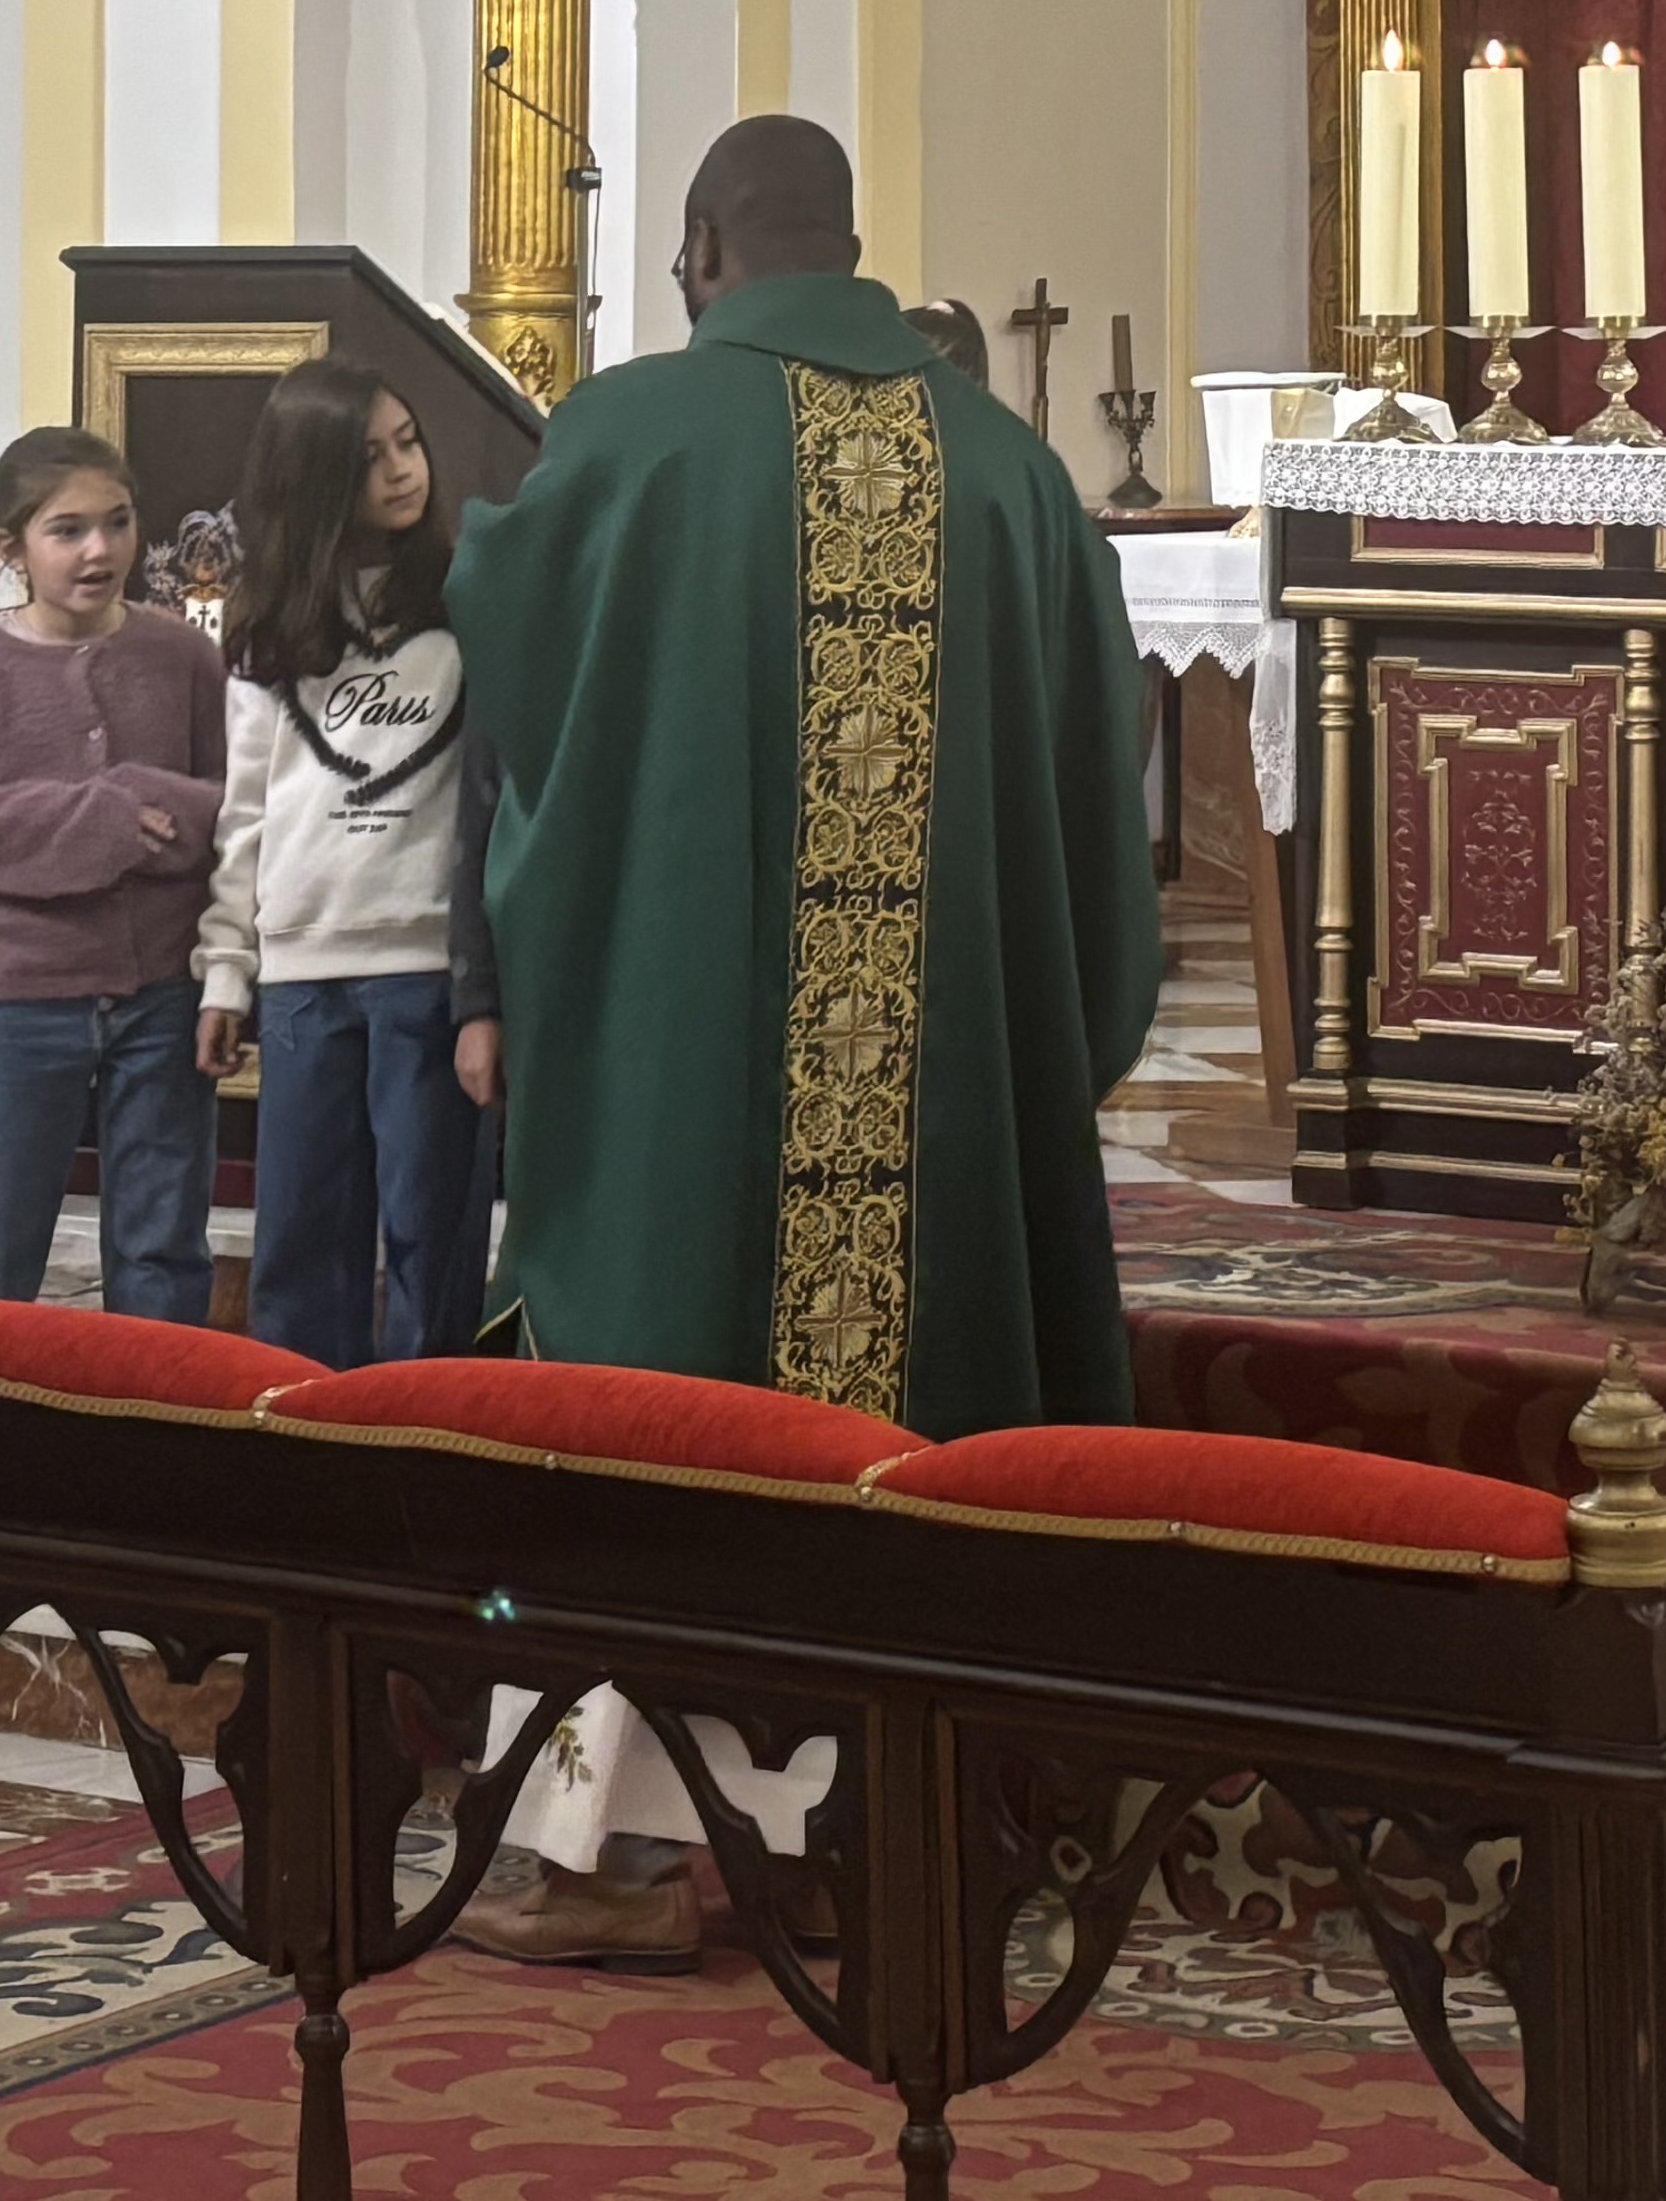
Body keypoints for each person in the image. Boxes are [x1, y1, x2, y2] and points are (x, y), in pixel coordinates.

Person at [448, 114, 1160, 1963]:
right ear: (850, 243)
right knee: (903, 1388)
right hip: (937, 1091)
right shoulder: (1007, 472)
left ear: (699, 247)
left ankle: (606, 1855)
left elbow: (515, 686)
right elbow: (1101, 772)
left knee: (667, 1383)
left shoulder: (624, 436)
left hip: (683, 1068)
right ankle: (897, 1821)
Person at [199, 363, 504, 1371]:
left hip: (422, 963)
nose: (400, 472)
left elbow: (488, 796)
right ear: (315, 475)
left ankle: (427, 1435)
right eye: (368, 456)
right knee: (302, 1242)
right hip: (300, 970)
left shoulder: (469, 599)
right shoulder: (274, 622)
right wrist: (227, 966)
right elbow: (248, 807)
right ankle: (303, 1447)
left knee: (430, 1233)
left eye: (408, 443)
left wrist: (481, 991)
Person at [0, 429, 230, 1321]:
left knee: (162, 1242)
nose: (99, 551)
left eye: (117, 524)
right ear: (14, 549)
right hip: (24, 998)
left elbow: (238, 810)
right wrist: (100, 817)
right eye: (68, 530)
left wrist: (152, 801)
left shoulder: (185, 656)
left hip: (163, 993)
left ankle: (157, 1428)